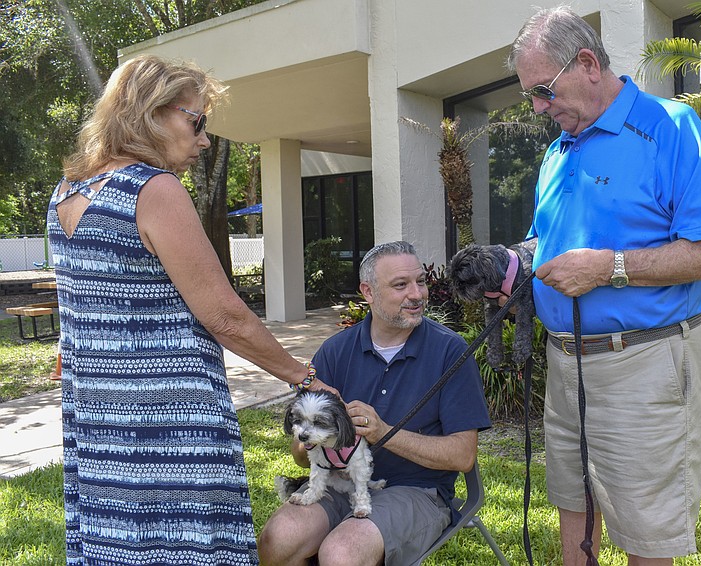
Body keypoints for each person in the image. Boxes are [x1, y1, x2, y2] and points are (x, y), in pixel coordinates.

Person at [47, 54, 331, 566]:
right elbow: (225, 316)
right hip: (168, 418)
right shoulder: (153, 189)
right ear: (150, 113)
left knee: (118, 541)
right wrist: (302, 376)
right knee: (183, 545)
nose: (203, 140)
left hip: (96, 414)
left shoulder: (66, 192)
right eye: (196, 121)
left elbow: (80, 303)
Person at [506, 6, 701, 566]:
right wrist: (511, 267)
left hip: (644, 364)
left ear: (588, 64)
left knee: (646, 535)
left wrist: (610, 268)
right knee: (574, 511)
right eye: (531, 97)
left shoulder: (671, 125)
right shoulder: (556, 151)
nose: (541, 108)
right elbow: (544, 242)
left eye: (544, 90)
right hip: (564, 365)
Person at [258, 241, 491, 566]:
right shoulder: (335, 351)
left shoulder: (451, 352)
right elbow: (301, 457)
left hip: (417, 492)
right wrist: (310, 442)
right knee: (277, 539)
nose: (417, 294)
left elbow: (463, 457)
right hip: (338, 482)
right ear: (368, 291)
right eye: (401, 285)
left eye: (420, 281)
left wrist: (383, 432)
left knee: (341, 553)